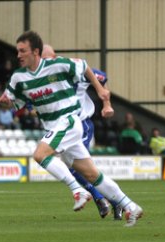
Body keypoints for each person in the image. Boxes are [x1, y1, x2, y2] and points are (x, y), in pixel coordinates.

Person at [0, 30, 143, 227]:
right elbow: (15, 104)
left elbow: (84, 66)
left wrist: (101, 91)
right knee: (92, 175)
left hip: (68, 121)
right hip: (54, 126)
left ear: (35, 51)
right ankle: (130, 205)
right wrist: (5, 103)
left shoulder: (57, 65)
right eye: (17, 51)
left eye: (22, 51)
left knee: (40, 155)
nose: (18, 55)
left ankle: (78, 190)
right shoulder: (18, 78)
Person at [41, 45, 121, 220]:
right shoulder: (42, 78)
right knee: (79, 169)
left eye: (47, 59)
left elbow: (101, 76)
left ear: (55, 57)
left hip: (80, 124)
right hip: (62, 126)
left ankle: (103, 199)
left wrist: (106, 103)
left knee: (79, 168)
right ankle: (112, 201)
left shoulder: (70, 70)